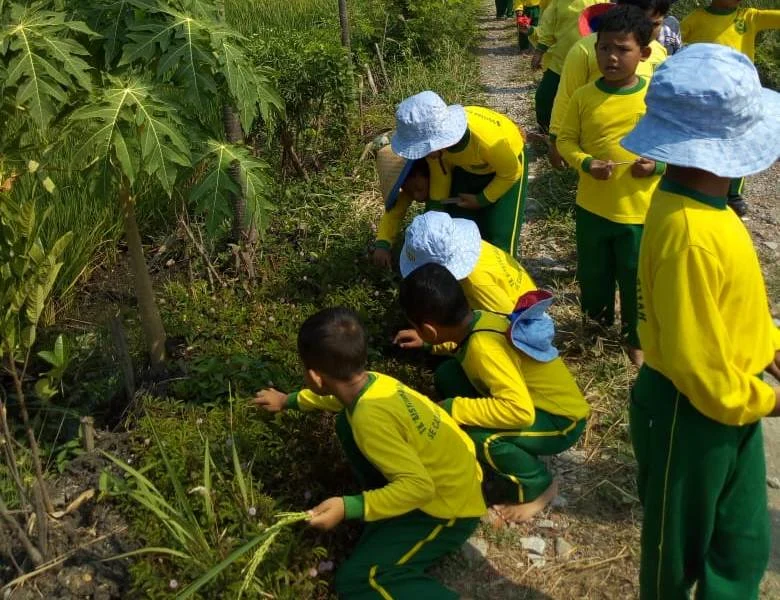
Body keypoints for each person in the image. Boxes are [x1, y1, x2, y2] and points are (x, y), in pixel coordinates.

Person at [622, 44, 780, 599]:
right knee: (676, 552)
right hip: (687, 414)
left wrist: (767, 345)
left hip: (730, 401)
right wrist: (770, 401)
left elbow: (733, 303)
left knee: (741, 542)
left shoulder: (711, 209)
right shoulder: (690, 232)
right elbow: (696, 365)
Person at [252, 307, 486, 599]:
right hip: (454, 474)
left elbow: (420, 487)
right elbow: (335, 400)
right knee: (345, 421)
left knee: (359, 580)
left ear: (315, 376)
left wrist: (349, 506)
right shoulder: (373, 383)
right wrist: (288, 401)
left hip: (449, 508)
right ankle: (386, 504)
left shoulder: (369, 418)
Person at [397, 264, 590, 523]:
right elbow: (461, 341)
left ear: (429, 328)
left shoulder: (483, 350)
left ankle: (537, 486)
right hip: (535, 402)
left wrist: (455, 408)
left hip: (562, 421)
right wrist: (431, 344)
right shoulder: (478, 318)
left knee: (478, 434)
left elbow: (519, 411)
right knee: (449, 374)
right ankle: (511, 453)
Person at [556, 6, 663, 366]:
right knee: (594, 274)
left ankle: (637, 338)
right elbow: (566, 141)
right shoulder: (585, 96)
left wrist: (657, 165)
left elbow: (675, 149)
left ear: (644, 53)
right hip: (592, 209)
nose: (611, 57)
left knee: (636, 281)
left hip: (638, 213)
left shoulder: (655, 98)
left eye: (622, 49)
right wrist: (586, 162)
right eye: (604, 48)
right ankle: (596, 331)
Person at [392, 91, 528, 257]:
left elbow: (511, 173)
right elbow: (441, 174)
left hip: (509, 167)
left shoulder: (489, 142)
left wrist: (482, 199)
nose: (422, 155)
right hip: (469, 166)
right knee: (456, 224)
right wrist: (435, 211)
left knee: (499, 236)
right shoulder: (436, 151)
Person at [681, 0, 780, 217]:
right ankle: (697, 183)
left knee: (737, 141)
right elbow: (674, 41)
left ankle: (733, 194)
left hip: (738, 93)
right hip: (704, 93)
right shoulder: (695, 19)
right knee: (702, 140)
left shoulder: (749, 17)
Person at [547, 0, 672, 168]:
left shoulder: (658, 52)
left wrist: (658, 165)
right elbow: (566, 95)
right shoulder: (585, 50)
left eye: (655, 24)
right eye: (641, 20)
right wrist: (555, 139)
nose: (647, 30)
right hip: (596, 147)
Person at [397, 211, 536, 314]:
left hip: (525, 317)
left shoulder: (474, 283)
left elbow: (509, 321)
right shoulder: (474, 248)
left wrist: (441, 343)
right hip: (525, 296)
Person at [518, 0, 601, 132]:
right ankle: (546, 130)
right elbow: (548, 31)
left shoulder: (600, 2)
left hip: (590, 61)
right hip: (560, 62)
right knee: (544, 97)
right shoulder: (557, 3)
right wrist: (539, 52)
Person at [372, 142, 431, 269]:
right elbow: (393, 214)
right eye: (410, 192)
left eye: (419, 189)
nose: (417, 197)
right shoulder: (413, 185)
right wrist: (383, 244)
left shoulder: (447, 175)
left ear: (428, 172)